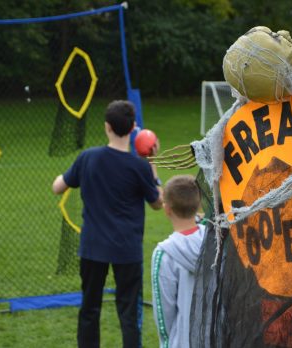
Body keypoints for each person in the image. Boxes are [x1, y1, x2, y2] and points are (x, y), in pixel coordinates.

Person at [52, 100, 163, 348]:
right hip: (127, 249)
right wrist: (152, 161)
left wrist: (67, 176)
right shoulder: (139, 167)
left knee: (89, 308)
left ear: (106, 127)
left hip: (93, 248)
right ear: (134, 127)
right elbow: (158, 202)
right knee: (128, 313)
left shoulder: (87, 157)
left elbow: (57, 187)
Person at [151, 175, 205, 348]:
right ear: (198, 206)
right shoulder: (215, 240)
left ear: (167, 209)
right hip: (215, 337)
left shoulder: (164, 254)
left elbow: (164, 312)